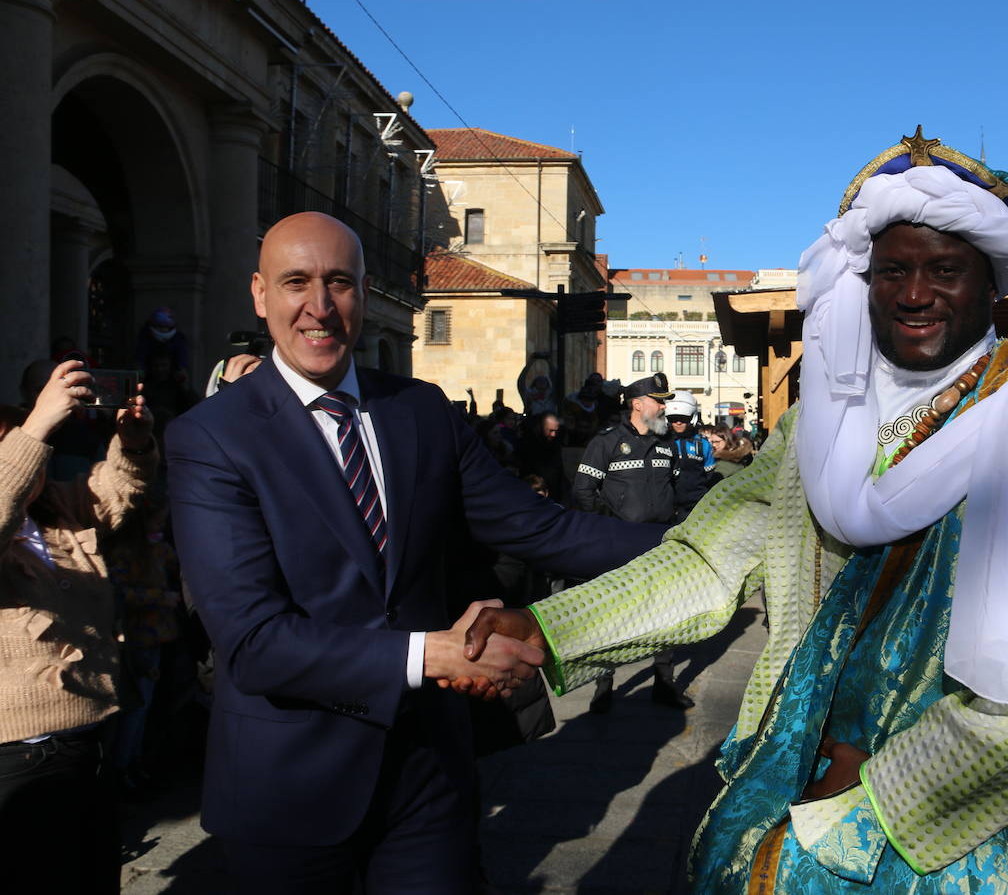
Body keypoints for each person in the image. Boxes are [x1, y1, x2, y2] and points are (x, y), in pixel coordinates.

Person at [466, 129, 1008, 893]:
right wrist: (551, 630)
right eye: (893, 269)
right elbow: (709, 561)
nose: (914, 294)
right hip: (797, 778)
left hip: (971, 827)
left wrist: (879, 791)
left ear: (991, 284)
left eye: (945, 269)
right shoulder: (822, 426)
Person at [164, 211, 666, 893]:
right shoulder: (212, 438)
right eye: (295, 283)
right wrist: (434, 653)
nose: (318, 307)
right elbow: (252, 642)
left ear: (365, 294)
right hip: (289, 786)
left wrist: (701, 543)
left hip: (427, 776)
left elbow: (542, 529)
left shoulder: (422, 410)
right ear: (259, 294)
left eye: (339, 282)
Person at [0, 361, 157, 894]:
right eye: (12, 448)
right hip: (19, 759)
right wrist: (37, 425)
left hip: (88, 742)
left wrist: (132, 444)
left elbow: (117, 491)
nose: (28, 461)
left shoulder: (53, 509)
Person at [571, 373, 694, 712]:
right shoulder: (606, 442)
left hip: (660, 541)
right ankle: (603, 685)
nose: (665, 407)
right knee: (611, 614)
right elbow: (583, 490)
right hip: (619, 542)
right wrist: (610, 525)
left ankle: (664, 683)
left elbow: (677, 488)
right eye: (659, 401)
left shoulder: (667, 443)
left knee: (665, 613)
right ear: (638, 405)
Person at [665, 391, 719, 519]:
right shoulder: (662, 443)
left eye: (684, 418)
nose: (678, 422)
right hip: (670, 506)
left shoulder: (703, 444)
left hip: (697, 505)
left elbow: (709, 476)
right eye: (674, 418)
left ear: (693, 418)